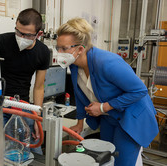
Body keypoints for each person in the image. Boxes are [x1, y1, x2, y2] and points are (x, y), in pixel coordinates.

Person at [56, 18, 159, 166]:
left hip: (131, 117)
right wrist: (80, 123)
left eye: (64, 49)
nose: (59, 53)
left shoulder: (106, 62)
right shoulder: (73, 65)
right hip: (109, 118)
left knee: (122, 162)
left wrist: (103, 107)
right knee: (106, 160)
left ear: (80, 49)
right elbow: (79, 95)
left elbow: (139, 90)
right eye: (58, 47)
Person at [0, 8, 50, 154]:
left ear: (38, 34)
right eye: (18, 31)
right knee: (1, 152)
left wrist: (37, 118)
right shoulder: (1, 41)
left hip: (24, 106)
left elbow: (39, 87)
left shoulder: (43, 52)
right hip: (0, 105)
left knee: (33, 149)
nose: (20, 36)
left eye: (26, 35)